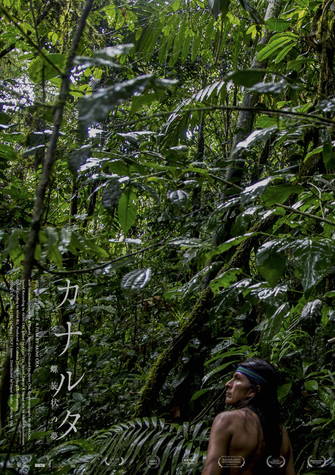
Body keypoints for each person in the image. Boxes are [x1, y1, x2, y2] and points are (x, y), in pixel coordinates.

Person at [201, 358, 295, 474]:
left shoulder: (226, 420)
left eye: (237, 378)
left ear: (252, 391)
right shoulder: (281, 433)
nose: (228, 384)